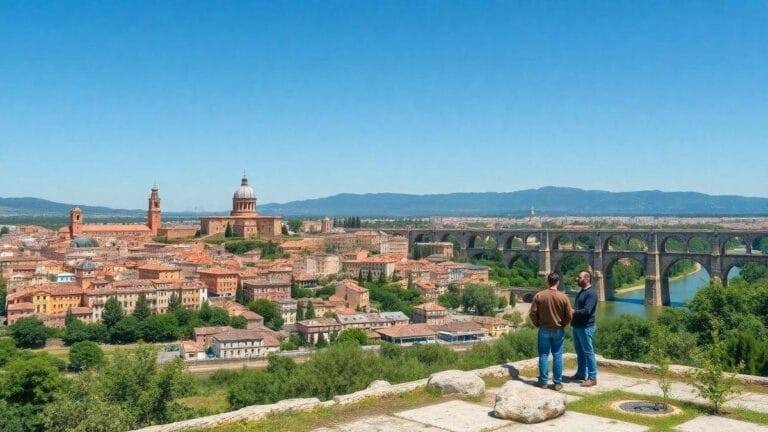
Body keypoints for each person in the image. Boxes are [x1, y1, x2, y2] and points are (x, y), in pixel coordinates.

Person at [529, 272, 573, 391]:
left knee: (543, 355)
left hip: (544, 329)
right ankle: (557, 382)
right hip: (558, 329)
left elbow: (532, 313)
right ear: (558, 282)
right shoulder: (563, 297)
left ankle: (543, 382)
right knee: (557, 355)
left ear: (547, 282)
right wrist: (564, 324)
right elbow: (569, 314)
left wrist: (537, 323)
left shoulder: (539, 296)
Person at [570, 270, 598, 387]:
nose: (577, 279)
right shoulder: (582, 291)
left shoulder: (591, 293)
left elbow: (587, 311)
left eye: (579, 277)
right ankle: (581, 374)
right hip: (577, 326)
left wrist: (573, 311)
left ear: (587, 279)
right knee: (580, 352)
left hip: (586, 327)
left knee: (588, 352)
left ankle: (592, 377)